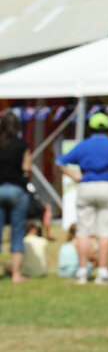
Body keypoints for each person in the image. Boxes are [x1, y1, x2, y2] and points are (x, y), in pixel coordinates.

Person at [56, 112, 108, 284]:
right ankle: (102, 272)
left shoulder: (83, 145)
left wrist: (75, 176)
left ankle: (82, 271)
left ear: (89, 128)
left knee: (83, 231)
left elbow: (60, 162)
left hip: (86, 186)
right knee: (105, 232)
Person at [0, 109, 33, 283]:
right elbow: (27, 168)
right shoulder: (22, 144)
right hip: (17, 190)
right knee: (17, 232)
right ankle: (16, 275)